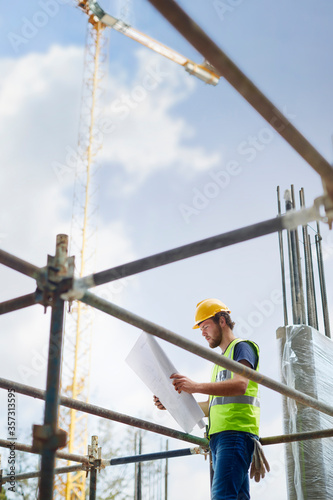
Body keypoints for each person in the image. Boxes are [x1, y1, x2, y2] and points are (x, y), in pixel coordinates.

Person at [154, 298, 260, 500]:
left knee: (222, 496)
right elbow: (211, 407)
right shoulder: (220, 363)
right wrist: (169, 404)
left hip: (235, 434)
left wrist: (195, 387)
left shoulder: (242, 347)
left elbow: (240, 385)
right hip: (222, 438)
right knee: (236, 497)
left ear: (222, 320)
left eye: (205, 326)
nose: (202, 333)